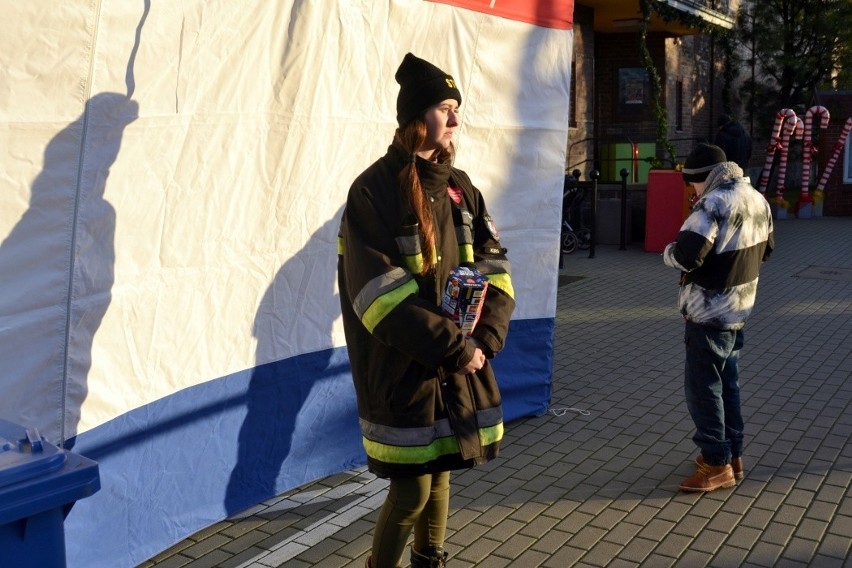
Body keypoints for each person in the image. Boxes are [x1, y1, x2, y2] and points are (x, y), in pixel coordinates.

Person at [337, 53, 515, 568]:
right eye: (444, 107)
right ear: (415, 118)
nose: (456, 119)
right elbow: (380, 298)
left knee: (441, 473)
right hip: (403, 371)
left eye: (457, 108)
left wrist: (485, 341)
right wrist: (457, 349)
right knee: (411, 491)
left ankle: (430, 561)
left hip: (458, 361)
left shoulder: (461, 188)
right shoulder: (372, 191)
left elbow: (495, 267)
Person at [663, 143, 774, 493]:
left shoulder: (711, 204)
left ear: (702, 178)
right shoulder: (758, 199)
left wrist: (667, 252)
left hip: (707, 312)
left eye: (691, 184)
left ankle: (715, 463)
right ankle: (734, 455)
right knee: (729, 384)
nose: (691, 191)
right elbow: (767, 249)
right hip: (739, 309)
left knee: (703, 389)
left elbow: (686, 256)